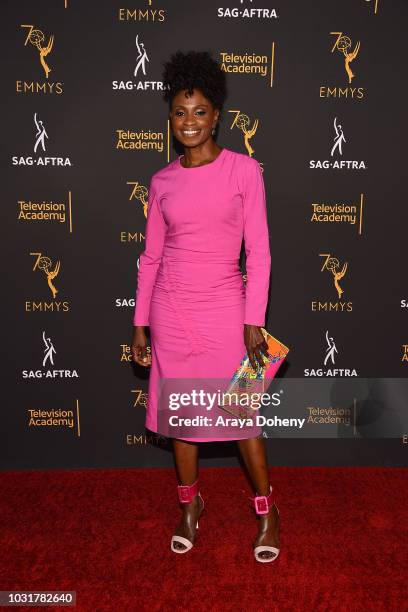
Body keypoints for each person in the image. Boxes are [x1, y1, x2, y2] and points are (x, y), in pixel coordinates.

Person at [131, 50, 280, 562]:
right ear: (169, 119)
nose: (189, 121)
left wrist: (253, 320)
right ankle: (190, 508)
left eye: (199, 111)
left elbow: (258, 250)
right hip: (171, 312)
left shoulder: (244, 171)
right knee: (183, 419)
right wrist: (140, 324)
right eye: (179, 112)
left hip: (226, 311)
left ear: (217, 114)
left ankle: (266, 511)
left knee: (244, 418)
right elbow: (150, 257)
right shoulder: (162, 181)